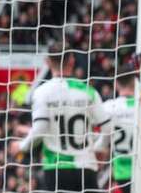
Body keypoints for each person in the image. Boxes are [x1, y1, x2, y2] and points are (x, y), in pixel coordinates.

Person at [12, 41, 110, 192]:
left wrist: (21, 146)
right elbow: (108, 127)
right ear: (72, 60)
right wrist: (99, 147)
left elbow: (40, 129)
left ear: (47, 62)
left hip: (56, 168)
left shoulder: (42, 92)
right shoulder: (89, 92)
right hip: (86, 165)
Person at [94, 67, 141, 193]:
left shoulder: (108, 108)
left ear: (115, 83)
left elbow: (102, 140)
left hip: (124, 173)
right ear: (135, 81)